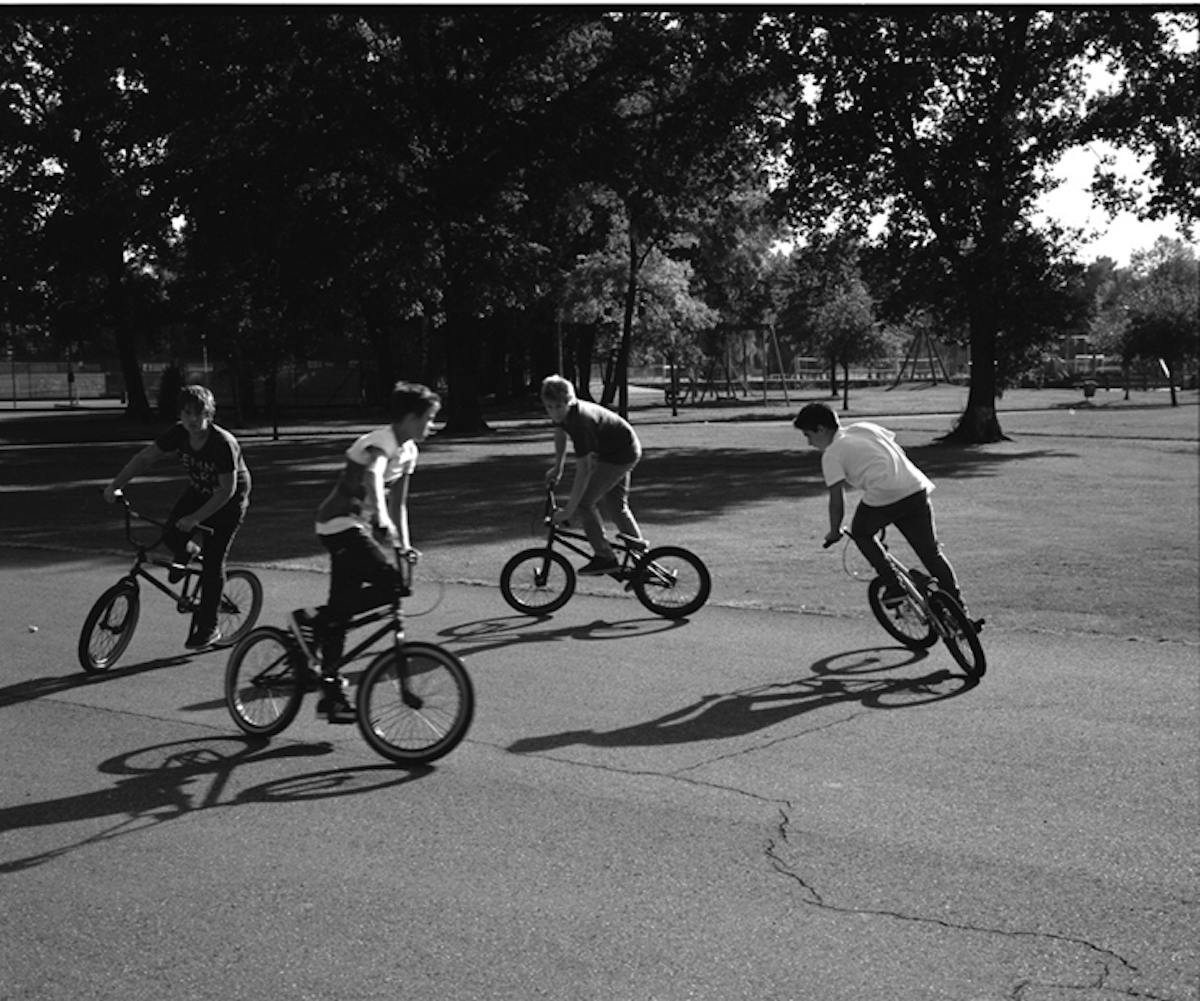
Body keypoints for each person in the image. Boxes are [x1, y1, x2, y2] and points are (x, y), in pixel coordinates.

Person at [288, 381, 440, 724]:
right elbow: (373, 475)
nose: (431, 425)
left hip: (356, 529)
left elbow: (399, 503)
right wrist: (381, 519)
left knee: (341, 613)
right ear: (409, 417)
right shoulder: (382, 441)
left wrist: (403, 544)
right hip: (338, 523)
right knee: (391, 584)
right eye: (428, 418)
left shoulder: (409, 451)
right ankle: (312, 621)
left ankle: (331, 697)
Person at [793, 401, 977, 620]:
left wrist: (834, 532)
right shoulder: (864, 427)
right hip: (915, 487)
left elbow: (836, 499)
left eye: (808, 435)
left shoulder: (832, 454)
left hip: (884, 493)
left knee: (861, 533)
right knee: (931, 553)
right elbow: (889, 449)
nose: (809, 442)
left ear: (821, 429)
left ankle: (893, 585)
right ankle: (960, 611)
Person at [104, 384, 252, 649]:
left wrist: (195, 518)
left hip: (228, 502)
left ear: (209, 414)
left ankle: (209, 627)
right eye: (187, 413)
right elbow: (145, 458)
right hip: (199, 491)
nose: (193, 419)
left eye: (199, 413)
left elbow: (226, 490)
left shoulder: (222, 443)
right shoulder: (179, 433)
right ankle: (187, 552)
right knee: (171, 534)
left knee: (213, 563)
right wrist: (116, 485)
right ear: (180, 414)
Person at [541, 374, 645, 575]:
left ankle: (605, 557)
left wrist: (568, 510)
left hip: (621, 453)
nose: (554, 412)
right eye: (549, 407)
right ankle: (642, 560)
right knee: (616, 506)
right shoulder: (564, 416)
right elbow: (560, 432)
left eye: (558, 406)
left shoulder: (581, 422)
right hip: (612, 450)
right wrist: (558, 467)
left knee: (585, 503)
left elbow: (585, 469)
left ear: (569, 402)